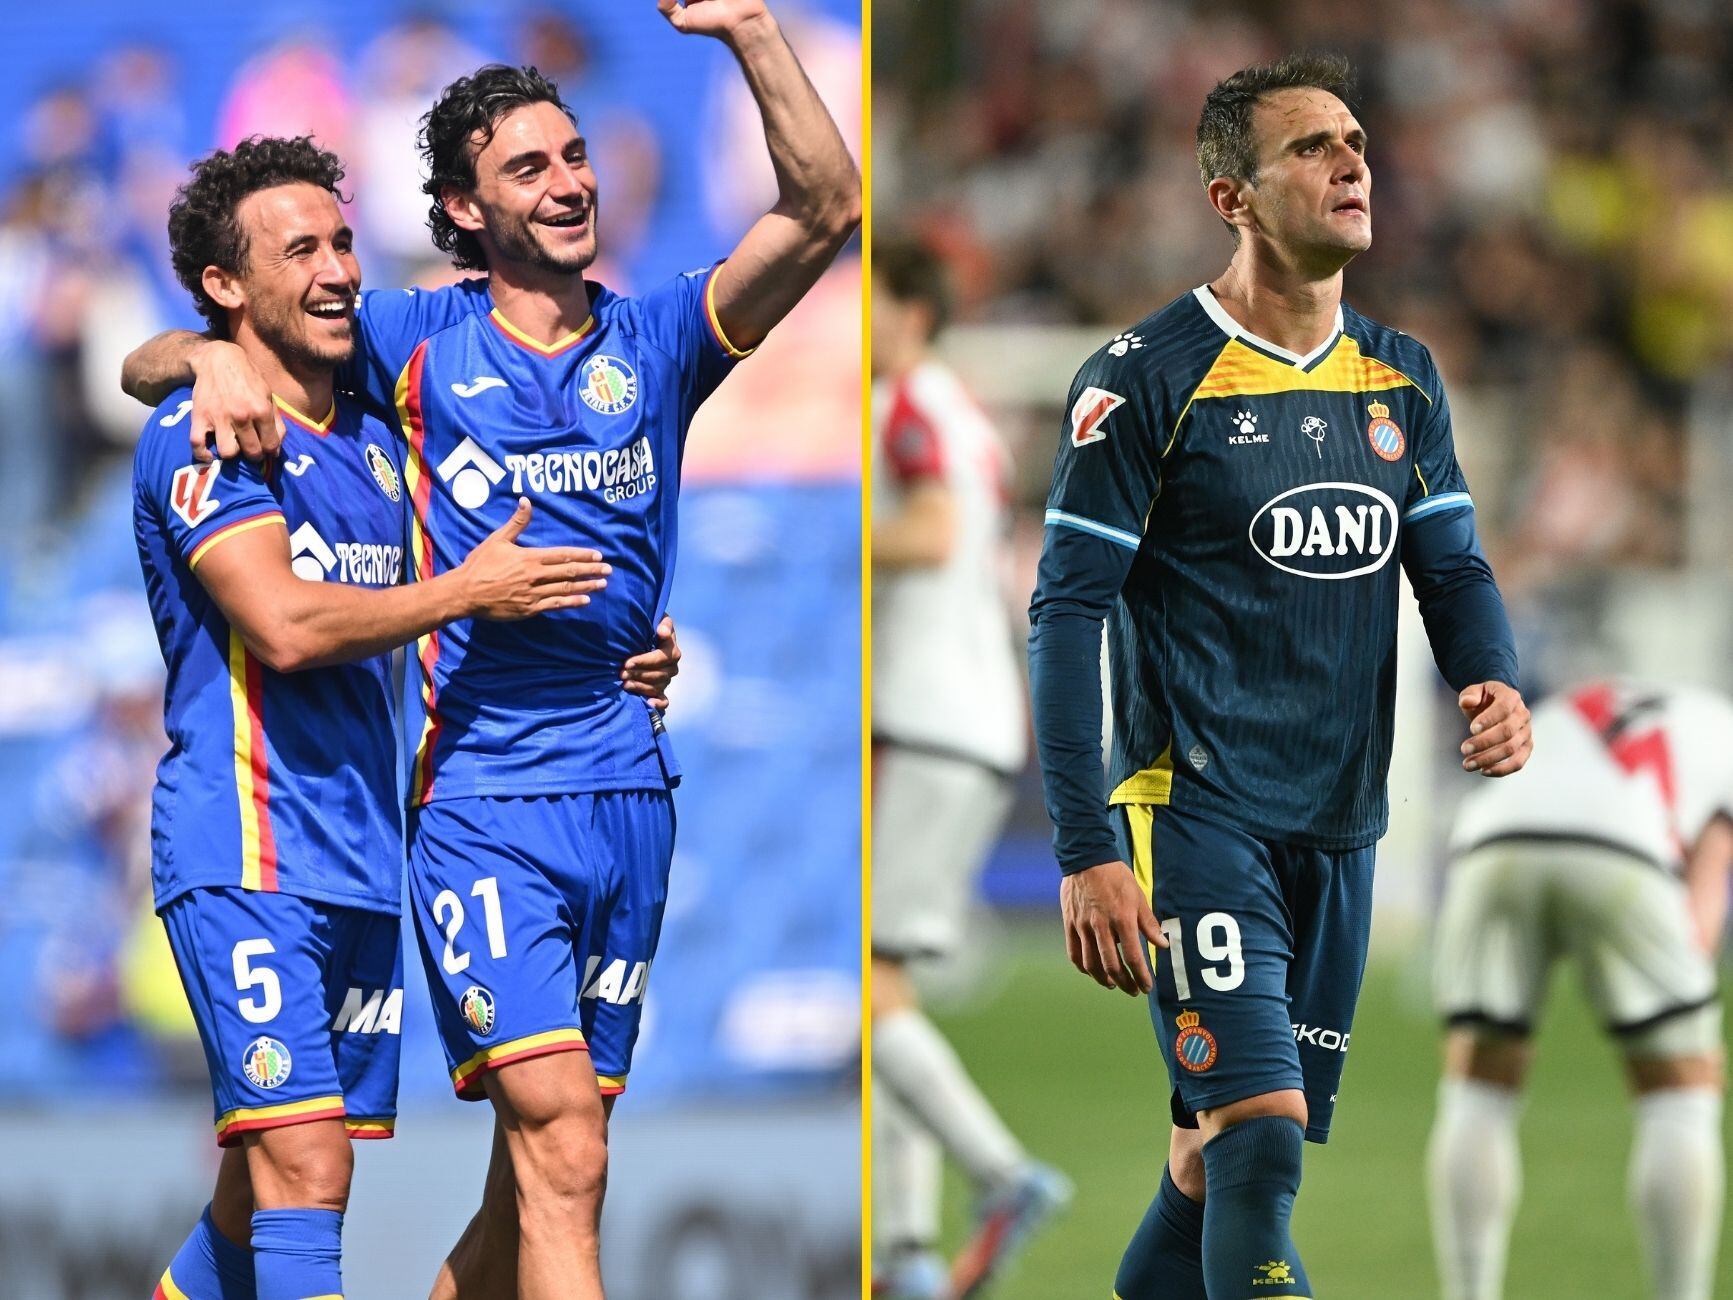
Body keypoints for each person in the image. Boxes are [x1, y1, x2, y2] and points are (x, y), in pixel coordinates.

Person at [125, 4, 859, 1296]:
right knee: (547, 1144)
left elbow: (827, 207)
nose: (570, 182)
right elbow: (199, 348)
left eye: (574, 155)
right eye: (530, 167)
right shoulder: (409, 347)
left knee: (536, 1184)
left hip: (628, 786)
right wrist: (198, 359)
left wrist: (748, 31)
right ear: (463, 212)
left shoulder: (657, 341)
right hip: (477, 804)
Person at [1025, 53, 1533, 1299]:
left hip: (1343, 823)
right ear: (1230, 196)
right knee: (1255, 1146)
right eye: (1310, 145)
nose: (1350, 159)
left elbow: (1451, 568)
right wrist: (1086, 844)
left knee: (1205, 1163)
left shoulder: (1398, 374)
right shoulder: (1142, 378)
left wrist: (1490, 677)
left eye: (1354, 139)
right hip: (1194, 812)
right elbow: (1064, 611)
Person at [135, 135, 615, 1300]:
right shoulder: (204, 439)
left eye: (342, 240)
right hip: (244, 847)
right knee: (303, 1170)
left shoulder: (376, 433)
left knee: (259, 1192)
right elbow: (288, 625)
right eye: (298, 249)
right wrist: (200, 363)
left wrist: (619, 646)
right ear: (226, 286)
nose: (337, 268)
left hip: (357, 860)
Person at [870, 238, 1070, 1300]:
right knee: (887, 982)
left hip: (927, 714)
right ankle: (902, 1247)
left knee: (868, 989)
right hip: (973, 716)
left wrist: (837, 541)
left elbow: (933, 533)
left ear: (906, 311)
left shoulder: (907, 404)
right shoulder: (957, 412)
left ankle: (997, 1173)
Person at [1429, 680, 1733, 1300]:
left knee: (1479, 1078)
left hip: (1493, 831)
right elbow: (1712, 861)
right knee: (1681, 1088)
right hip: (1623, 839)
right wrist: (1691, 1019)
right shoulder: (1723, 732)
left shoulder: (1593, 699)